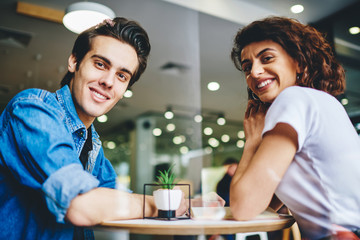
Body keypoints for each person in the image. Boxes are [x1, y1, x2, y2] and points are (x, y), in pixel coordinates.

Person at [0, 17, 187, 240]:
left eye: (121, 75)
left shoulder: (92, 144)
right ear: (74, 62)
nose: (109, 81)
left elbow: (116, 198)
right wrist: (158, 203)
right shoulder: (32, 110)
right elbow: (82, 206)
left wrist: (190, 204)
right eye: (101, 64)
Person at [229, 16, 360, 239]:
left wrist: (252, 142)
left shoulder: (293, 98)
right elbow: (268, 202)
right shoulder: (319, 101)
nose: (255, 72)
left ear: (298, 61)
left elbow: (244, 208)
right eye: (247, 67)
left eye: (267, 58)